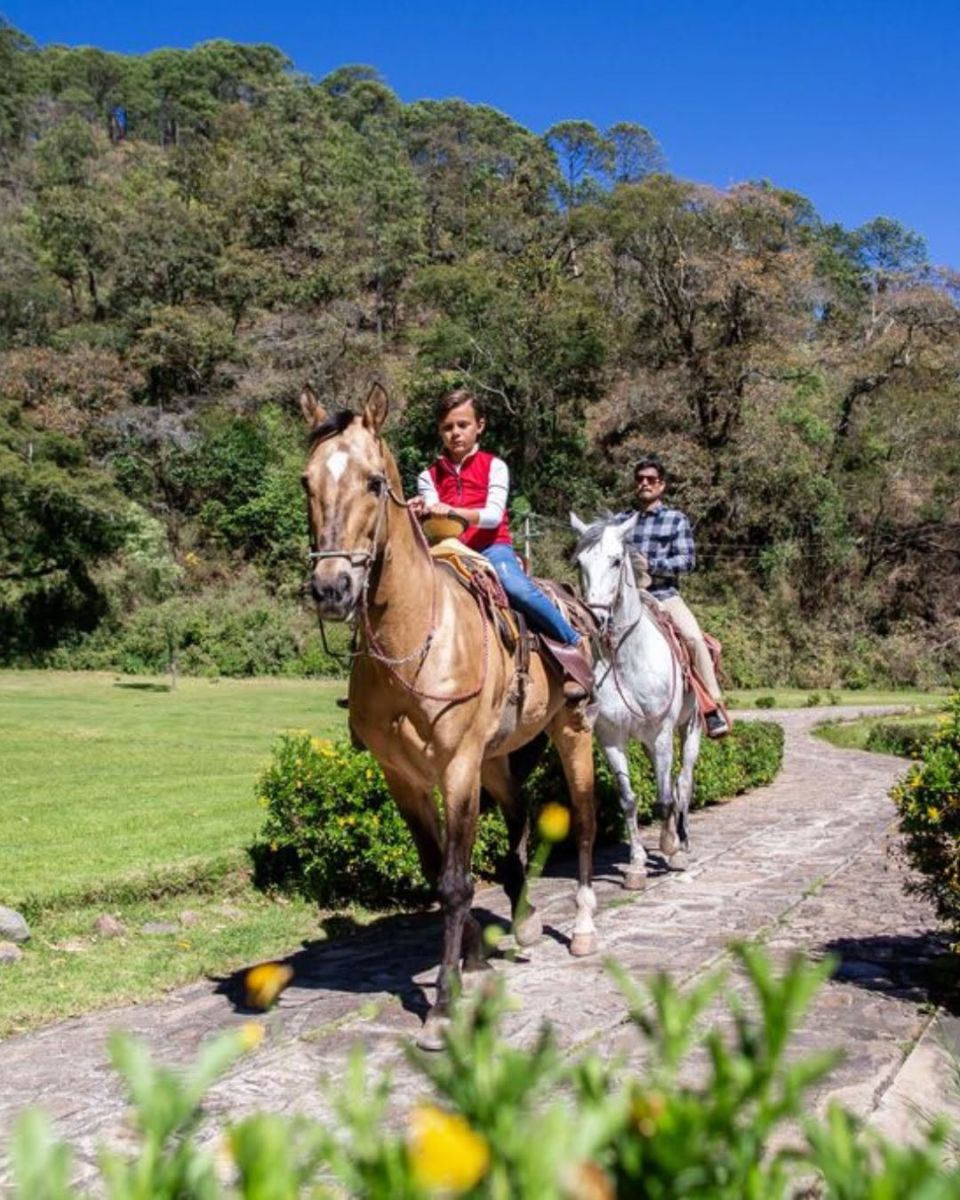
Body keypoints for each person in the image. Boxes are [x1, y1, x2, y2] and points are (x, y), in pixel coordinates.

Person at [410, 388, 594, 702]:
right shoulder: (428, 476)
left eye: (463, 425)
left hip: (491, 548)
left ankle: (573, 642)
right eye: (447, 427)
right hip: (446, 549)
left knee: (515, 587)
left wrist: (451, 511)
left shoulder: (494, 466)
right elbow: (433, 516)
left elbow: (493, 516)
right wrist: (418, 512)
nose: (455, 433)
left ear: (479, 425)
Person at [624, 455, 730, 737]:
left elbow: (686, 561)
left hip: (664, 594)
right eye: (640, 479)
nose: (644, 483)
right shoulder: (621, 521)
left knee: (694, 639)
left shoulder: (675, 520)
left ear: (662, 485)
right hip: (627, 597)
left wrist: (652, 565)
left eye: (651, 479)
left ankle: (712, 708)